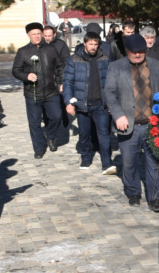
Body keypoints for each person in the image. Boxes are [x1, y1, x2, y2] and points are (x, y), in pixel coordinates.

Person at [104, 33, 159, 210]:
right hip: (128, 124)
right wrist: (118, 115)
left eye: (141, 52)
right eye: (134, 52)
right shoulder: (116, 68)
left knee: (154, 163)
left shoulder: (157, 66)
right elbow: (109, 93)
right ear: (127, 51)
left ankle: (155, 198)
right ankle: (133, 191)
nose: (138, 55)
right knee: (129, 163)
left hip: (151, 124)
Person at [63, 32, 117, 174]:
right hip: (83, 104)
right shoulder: (74, 60)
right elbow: (68, 81)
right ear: (85, 43)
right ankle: (86, 157)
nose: (93, 47)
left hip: (101, 104)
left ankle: (107, 163)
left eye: (96, 44)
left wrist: (112, 102)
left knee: (104, 133)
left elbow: (112, 80)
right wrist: (69, 102)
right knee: (84, 133)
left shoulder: (105, 59)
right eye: (90, 44)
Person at [11, 22, 65, 159]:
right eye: (33, 34)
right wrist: (26, 76)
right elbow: (16, 71)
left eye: (38, 34)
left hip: (51, 91)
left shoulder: (51, 49)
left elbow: (60, 67)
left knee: (57, 116)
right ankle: (39, 148)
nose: (36, 36)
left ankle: (51, 135)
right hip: (32, 92)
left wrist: (61, 82)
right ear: (29, 36)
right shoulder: (23, 52)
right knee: (34, 122)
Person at [43, 24, 72, 142]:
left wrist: (62, 80)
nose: (47, 38)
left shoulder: (61, 45)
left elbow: (66, 62)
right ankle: (49, 125)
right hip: (45, 81)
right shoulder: (40, 45)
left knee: (59, 100)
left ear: (54, 35)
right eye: (45, 36)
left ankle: (63, 115)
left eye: (49, 35)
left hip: (58, 78)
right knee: (47, 107)